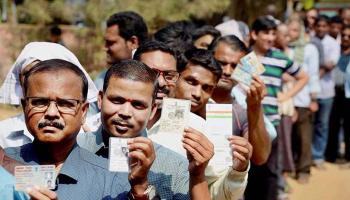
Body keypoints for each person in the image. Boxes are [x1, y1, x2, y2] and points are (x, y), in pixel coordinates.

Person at [5, 59, 159, 199]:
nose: (51, 113)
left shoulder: (111, 178)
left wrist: (139, 189)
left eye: (66, 104)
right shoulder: (4, 165)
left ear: (83, 112)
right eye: (40, 102)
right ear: (25, 107)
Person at [78, 60, 213, 199]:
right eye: (117, 100)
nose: (125, 112)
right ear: (100, 99)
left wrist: (141, 188)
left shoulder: (175, 167)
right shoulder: (70, 149)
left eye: (137, 105)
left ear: (152, 110)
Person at [134, 40, 249, 199]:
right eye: (191, 82)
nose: (160, 82)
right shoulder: (105, 121)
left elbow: (220, 193)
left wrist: (238, 170)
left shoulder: (199, 129)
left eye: (167, 75)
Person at [245, 16, 309, 200]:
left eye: (273, 33)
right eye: (266, 33)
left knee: (271, 169)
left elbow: (303, 77)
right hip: (248, 122)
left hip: (271, 122)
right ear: (254, 34)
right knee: (248, 168)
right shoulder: (245, 57)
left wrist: (287, 96)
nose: (271, 37)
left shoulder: (280, 58)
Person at [0, 42, 99, 148]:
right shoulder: (3, 132)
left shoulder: (89, 133)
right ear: (20, 78)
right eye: (29, 73)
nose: (39, 80)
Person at [209, 35, 274, 165]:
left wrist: (255, 106)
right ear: (209, 59)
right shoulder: (192, 99)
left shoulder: (241, 112)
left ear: (243, 70)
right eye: (221, 63)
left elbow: (260, 157)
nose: (227, 71)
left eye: (234, 66)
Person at [312, 15, 341, 169]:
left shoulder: (333, 43)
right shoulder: (310, 41)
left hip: (327, 92)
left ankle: (318, 156)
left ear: (328, 27)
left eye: (324, 26)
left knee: (322, 125)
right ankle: (308, 155)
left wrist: (313, 76)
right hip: (309, 92)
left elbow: (330, 65)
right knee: (309, 125)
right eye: (319, 26)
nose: (321, 29)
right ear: (314, 27)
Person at [94, 11, 148, 91]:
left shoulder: (156, 79)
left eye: (111, 43)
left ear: (133, 42)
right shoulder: (101, 81)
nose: (105, 48)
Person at [326, 25, 350, 164]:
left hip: (349, 95)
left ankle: (348, 156)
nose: (346, 38)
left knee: (348, 126)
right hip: (335, 93)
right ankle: (331, 155)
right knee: (333, 124)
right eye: (344, 35)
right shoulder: (336, 52)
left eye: (349, 36)